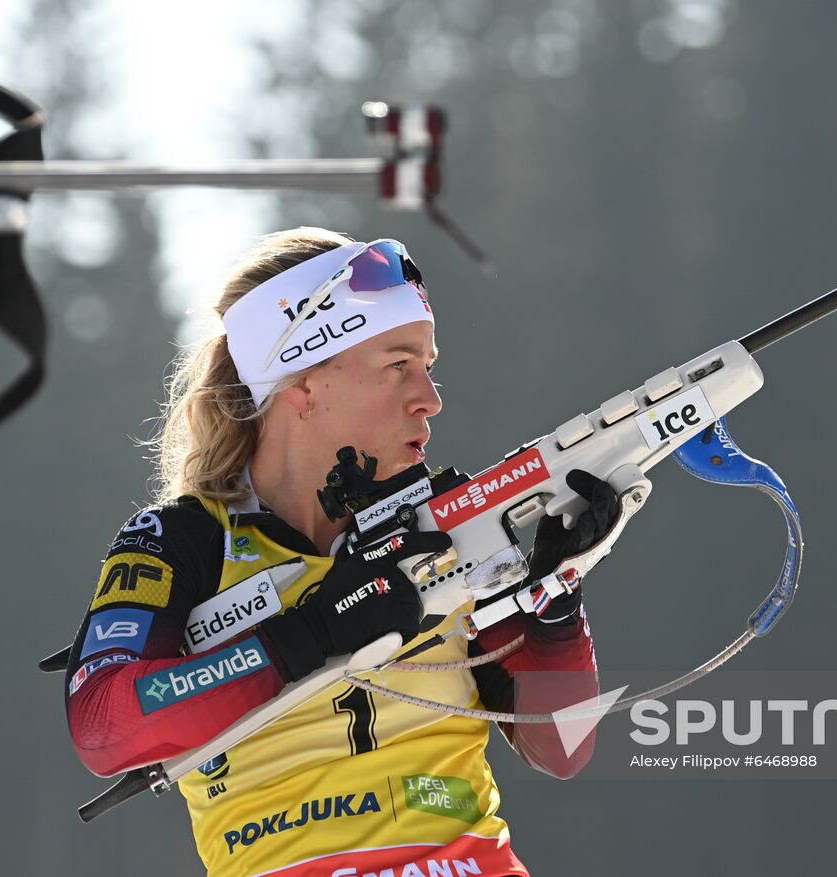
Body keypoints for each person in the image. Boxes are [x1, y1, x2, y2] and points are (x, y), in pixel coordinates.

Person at [63, 228, 619, 877]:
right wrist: (311, 632)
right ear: (303, 382)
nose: (429, 399)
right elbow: (102, 725)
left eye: (428, 367)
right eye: (397, 366)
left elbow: (563, 744)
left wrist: (556, 598)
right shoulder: (184, 539)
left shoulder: (448, 517)